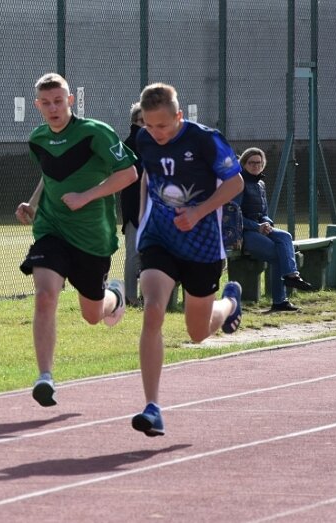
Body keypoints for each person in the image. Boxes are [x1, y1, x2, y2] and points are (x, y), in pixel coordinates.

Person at [15, 73, 138, 408]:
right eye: (46, 103)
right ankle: (45, 377)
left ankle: (114, 296)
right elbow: (50, 174)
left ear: (70, 101)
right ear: (37, 106)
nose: (53, 108)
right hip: (51, 230)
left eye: (59, 101)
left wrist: (87, 196)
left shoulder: (95, 132)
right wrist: (33, 203)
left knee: (92, 315)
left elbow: (128, 174)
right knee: (44, 295)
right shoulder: (37, 138)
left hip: (92, 238)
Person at [131, 82, 244, 437]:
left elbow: (236, 183)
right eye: (149, 125)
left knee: (197, 334)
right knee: (153, 310)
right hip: (160, 238)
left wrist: (198, 213)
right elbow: (147, 178)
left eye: (163, 125)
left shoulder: (204, 139)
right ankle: (152, 407)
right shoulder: (144, 140)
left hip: (202, 244)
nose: (156, 133)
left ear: (179, 116)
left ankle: (228, 304)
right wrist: (141, 224)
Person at [236, 147, 313, 313]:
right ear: (243, 164)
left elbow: (264, 213)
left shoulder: (260, 184)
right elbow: (232, 215)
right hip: (245, 233)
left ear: (263, 164)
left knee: (285, 236)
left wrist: (266, 223)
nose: (255, 166)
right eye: (251, 163)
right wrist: (256, 226)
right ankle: (281, 298)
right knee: (278, 255)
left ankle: (291, 276)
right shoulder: (238, 183)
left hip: (261, 228)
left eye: (259, 162)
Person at [120, 102, 145, 307]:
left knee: (146, 253)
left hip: (148, 208)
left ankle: (143, 294)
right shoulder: (132, 143)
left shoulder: (153, 142)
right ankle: (130, 296)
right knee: (134, 254)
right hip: (135, 207)